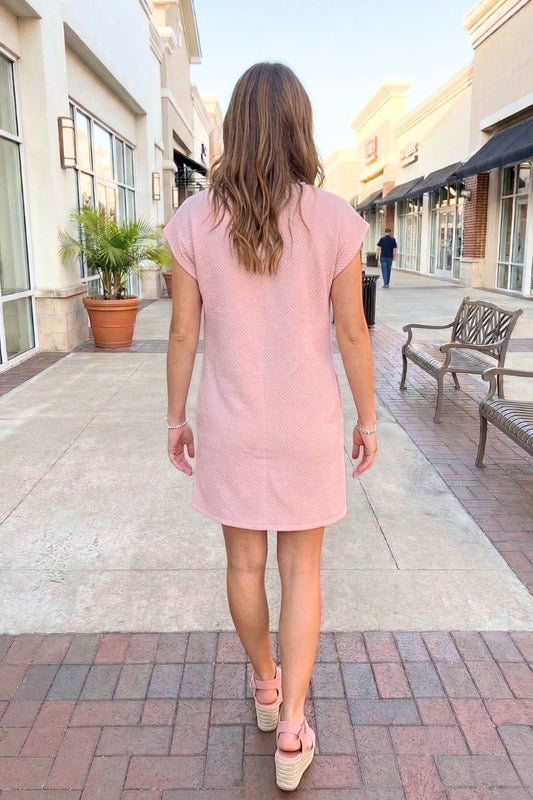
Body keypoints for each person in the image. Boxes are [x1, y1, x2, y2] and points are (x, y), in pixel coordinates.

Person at [164, 62, 377, 792]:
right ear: (298, 126)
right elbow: (352, 332)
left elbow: (182, 334)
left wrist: (174, 416)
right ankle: (293, 727)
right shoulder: (336, 218)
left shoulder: (194, 219)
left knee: (244, 567)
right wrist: (369, 419)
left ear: (235, 129)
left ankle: (264, 685)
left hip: (229, 422)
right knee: (302, 571)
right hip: (307, 425)